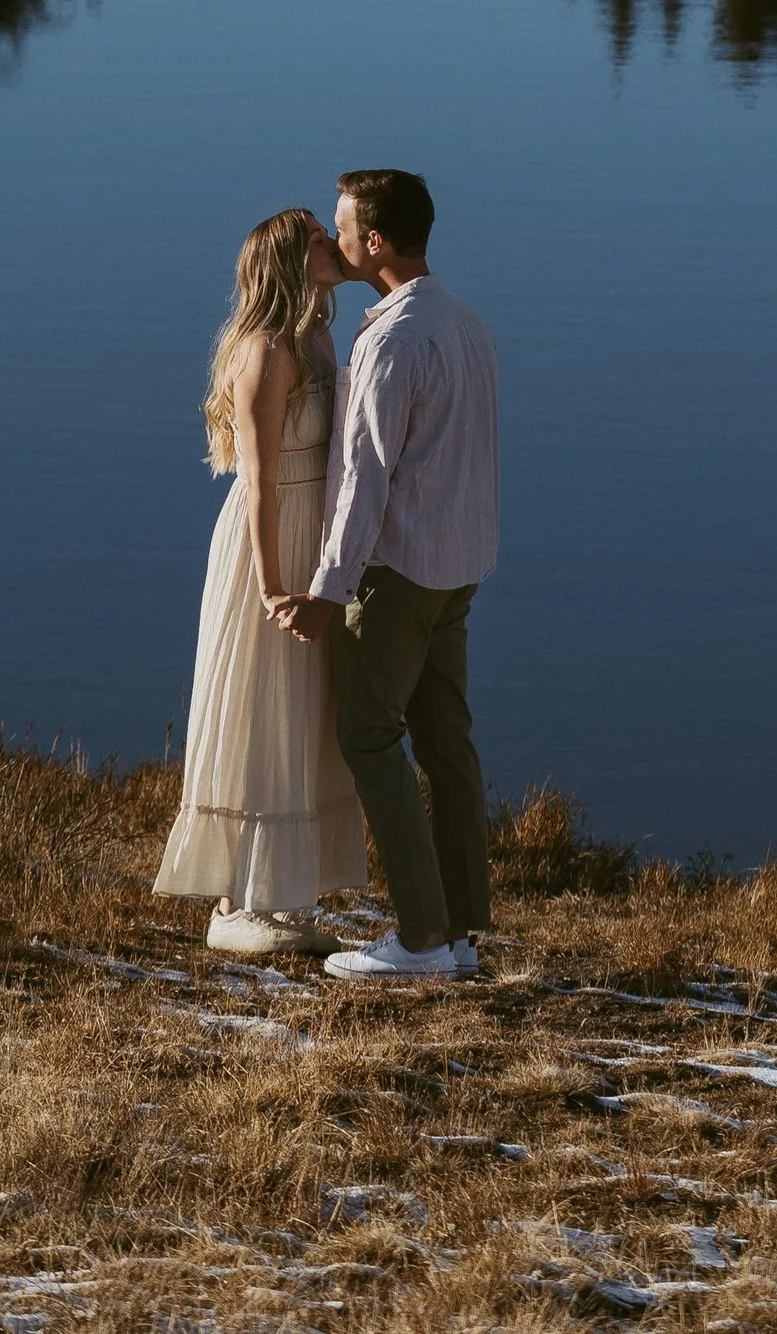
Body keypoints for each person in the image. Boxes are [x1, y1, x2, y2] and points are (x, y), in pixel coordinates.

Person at [269, 166, 499, 985]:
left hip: (399, 570)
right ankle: (463, 928)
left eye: (342, 230)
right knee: (447, 741)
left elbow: (365, 476)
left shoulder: (391, 341)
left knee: (369, 733)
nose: (331, 242)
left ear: (375, 243)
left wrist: (329, 592)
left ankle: (424, 939)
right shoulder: (465, 322)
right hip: (459, 567)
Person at [151, 205, 369, 957]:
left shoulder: (317, 335)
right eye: (316, 237)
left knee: (305, 711)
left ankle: (280, 892)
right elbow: (259, 486)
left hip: (315, 537)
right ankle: (232, 900)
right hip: (267, 542)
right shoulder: (265, 354)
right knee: (256, 700)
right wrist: (274, 587)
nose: (330, 245)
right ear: (287, 260)